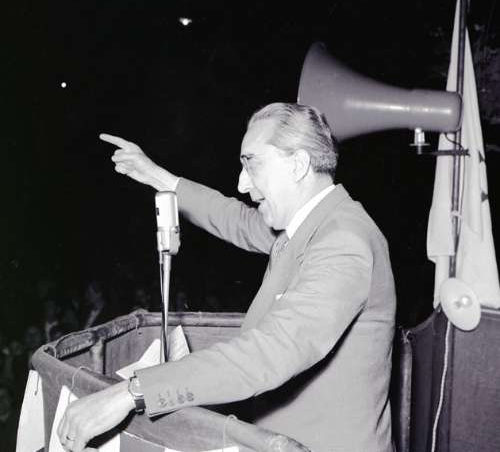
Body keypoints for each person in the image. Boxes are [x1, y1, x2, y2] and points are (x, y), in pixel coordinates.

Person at [58, 103, 396, 451]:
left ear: (297, 165)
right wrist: (155, 175)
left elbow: (271, 353)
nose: (241, 183)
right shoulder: (310, 224)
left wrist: (131, 393)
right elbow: (235, 219)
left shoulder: (343, 241)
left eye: (251, 163)